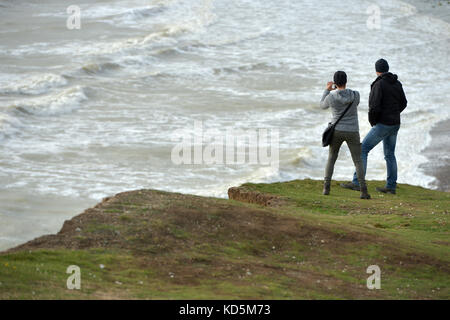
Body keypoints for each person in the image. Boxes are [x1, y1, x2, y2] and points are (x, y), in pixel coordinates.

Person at [341, 59, 407, 194]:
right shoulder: (397, 83)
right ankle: (391, 187)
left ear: (377, 70)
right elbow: (404, 103)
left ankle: (357, 182)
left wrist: (373, 122)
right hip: (395, 124)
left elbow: (374, 107)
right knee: (390, 154)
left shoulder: (379, 84)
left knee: (362, 149)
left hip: (383, 124)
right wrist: (394, 113)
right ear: (387, 69)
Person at [320, 71, 371, 199]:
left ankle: (326, 188)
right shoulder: (355, 95)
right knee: (358, 160)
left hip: (336, 130)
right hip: (353, 131)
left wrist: (327, 90)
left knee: (332, 158)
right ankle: (363, 191)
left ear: (335, 83)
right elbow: (355, 104)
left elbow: (322, 106)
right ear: (346, 81)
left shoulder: (331, 97)